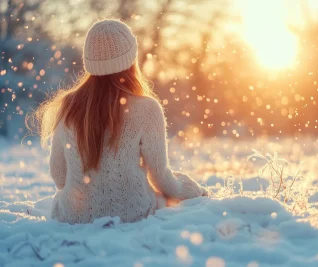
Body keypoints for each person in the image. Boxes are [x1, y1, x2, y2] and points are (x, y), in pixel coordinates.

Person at [28, 19, 208, 224]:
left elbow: (59, 175)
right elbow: (161, 178)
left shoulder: (68, 106)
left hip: (73, 216)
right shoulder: (147, 108)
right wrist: (190, 189)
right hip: (133, 213)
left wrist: (89, 193)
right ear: (131, 60)